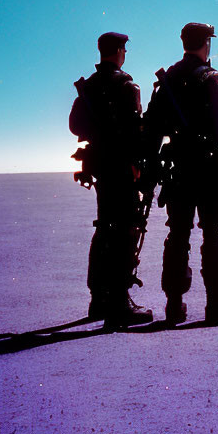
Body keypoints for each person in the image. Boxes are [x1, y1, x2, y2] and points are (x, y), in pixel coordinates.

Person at [145, 22, 218, 326]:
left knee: (177, 235)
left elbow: (151, 128)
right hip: (207, 167)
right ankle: (216, 305)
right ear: (207, 43)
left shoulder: (168, 81)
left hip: (177, 168)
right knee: (212, 232)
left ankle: (173, 306)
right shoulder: (212, 79)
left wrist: (151, 166)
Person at [68, 31, 153, 327]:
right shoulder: (126, 85)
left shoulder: (89, 87)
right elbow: (134, 132)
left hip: (100, 166)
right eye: (124, 50)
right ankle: (119, 302)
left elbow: (74, 124)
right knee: (126, 229)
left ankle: (99, 299)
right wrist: (137, 164)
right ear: (119, 51)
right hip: (121, 167)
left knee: (105, 227)